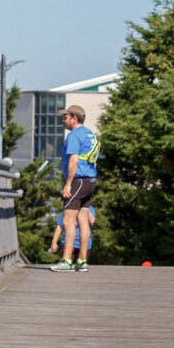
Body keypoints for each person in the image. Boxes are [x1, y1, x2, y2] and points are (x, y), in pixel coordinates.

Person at [50, 105, 100, 273]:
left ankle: (66, 261)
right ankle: (82, 260)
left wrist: (67, 184)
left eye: (66, 117)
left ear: (74, 118)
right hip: (90, 181)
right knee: (83, 220)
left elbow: (74, 160)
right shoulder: (91, 135)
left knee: (67, 220)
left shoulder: (74, 136)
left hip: (78, 181)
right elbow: (94, 160)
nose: (63, 120)